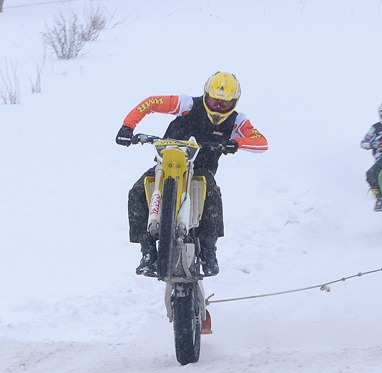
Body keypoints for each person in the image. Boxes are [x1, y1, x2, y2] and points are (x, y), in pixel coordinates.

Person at [115, 71, 268, 277]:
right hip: (167, 164)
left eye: (224, 104)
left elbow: (261, 142)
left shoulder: (237, 121)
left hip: (201, 171)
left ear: (234, 102)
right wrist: (127, 127)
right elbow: (151, 103)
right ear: (205, 95)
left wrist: (236, 142)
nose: (218, 108)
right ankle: (148, 252)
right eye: (214, 101)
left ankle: (208, 250)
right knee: (137, 191)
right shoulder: (187, 104)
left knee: (212, 193)